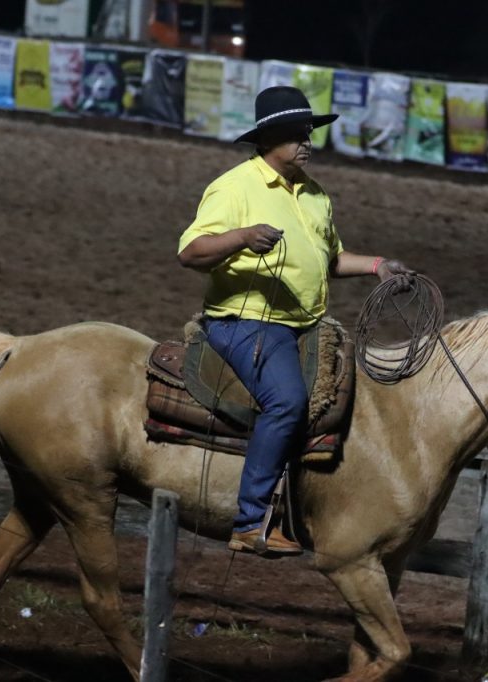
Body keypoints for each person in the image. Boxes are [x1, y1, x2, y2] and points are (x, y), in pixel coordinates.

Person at [177, 86, 414, 556]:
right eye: (296, 134)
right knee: (286, 403)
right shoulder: (234, 187)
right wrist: (242, 236)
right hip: (245, 322)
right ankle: (249, 522)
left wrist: (376, 266)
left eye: (308, 132)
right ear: (268, 140)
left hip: (303, 323)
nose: (307, 141)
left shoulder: (315, 194)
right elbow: (190, 252)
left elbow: (328, 258)